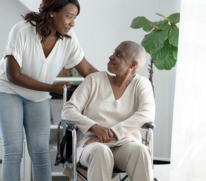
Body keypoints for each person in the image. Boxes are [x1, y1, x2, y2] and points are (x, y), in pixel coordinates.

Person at [0, 0, 97, 181]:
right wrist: (51, 88)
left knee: (40, 152)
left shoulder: (69, 40)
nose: (72, 23)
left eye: (74, 18)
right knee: (13, 151)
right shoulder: (22, 31)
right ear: (52, 12)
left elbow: (88, 71)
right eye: (68, 16)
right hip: (7, 91)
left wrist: (118, 81)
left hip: (37, 97)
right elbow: (12, 75)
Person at [62, 41, 155, 181]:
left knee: (141, 150)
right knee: (101, 151)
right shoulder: (94, 80)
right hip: (91, 144)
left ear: (133, 64)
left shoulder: (141, 84)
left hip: (124, 144)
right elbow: (68, 110)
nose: (111, 57)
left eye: (118, 55)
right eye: (113, 52)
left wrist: (111, 133)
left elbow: (146, 114)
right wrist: (95, 127)